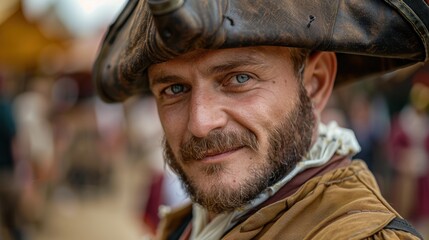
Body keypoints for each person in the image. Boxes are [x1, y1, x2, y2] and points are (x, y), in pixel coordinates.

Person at [93, 1, 429, 239]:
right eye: (175, 88)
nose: (201, 122)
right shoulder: (193, 223)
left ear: (315, 83)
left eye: (239, 78)